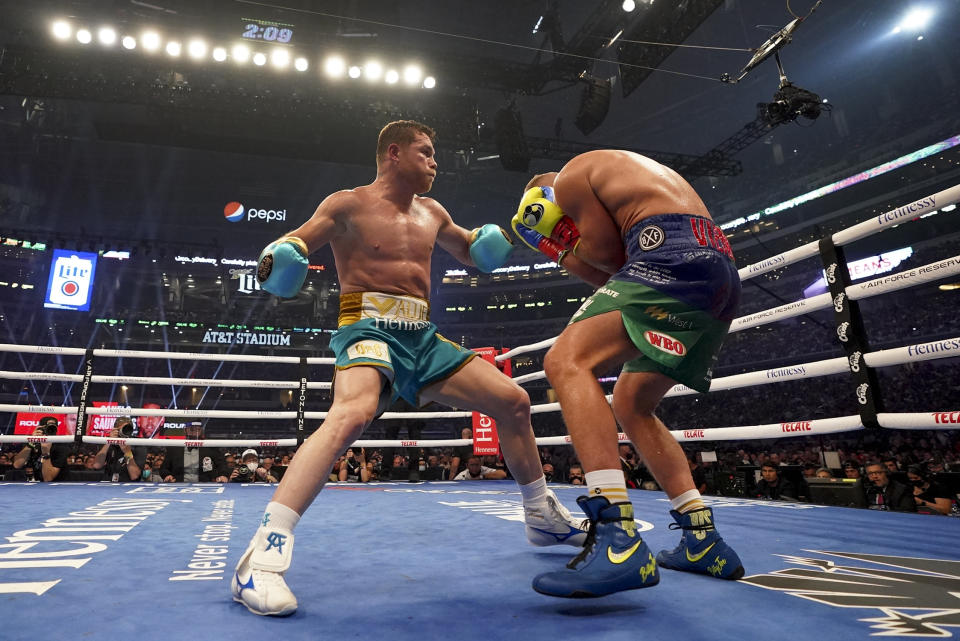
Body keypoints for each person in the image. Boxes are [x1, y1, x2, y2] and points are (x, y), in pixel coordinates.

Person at [232, 120, 586, 616]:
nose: (435, 161)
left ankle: (541, 514)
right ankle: (261, 560)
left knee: (515, 402)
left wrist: (495, 239)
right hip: (367, 327)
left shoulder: (434, 212)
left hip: (421, 336)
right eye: (426, 151)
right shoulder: (347, 204)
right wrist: (283, 254)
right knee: (351, 414)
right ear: (393, 153)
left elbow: (473, 251)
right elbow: (294, 244)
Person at [510, 149, 744, 598]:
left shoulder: (574, 174)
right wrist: (558, 251)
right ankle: (702, 539)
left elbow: (602, 253)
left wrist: (560, 243)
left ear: (547, 199)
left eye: (561, 222)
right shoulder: (626, 179)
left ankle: (617, 537)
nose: (566, 229)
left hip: (674, 259)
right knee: (633, 403)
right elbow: (617, 277)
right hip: (716, 273)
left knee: (565, 361)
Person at [10, 416, 70, 482]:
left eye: (52, 428)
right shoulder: (32, 443)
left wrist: (46, 453)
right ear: (39, 429)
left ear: (56, 429)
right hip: (39, 486)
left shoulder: (61, 446)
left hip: (58, 486)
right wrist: (31, 442)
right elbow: (17, 465)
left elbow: (48, 478)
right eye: (46, 428)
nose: (49, 431)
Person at [92, 416, 146, 482]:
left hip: (128, 484)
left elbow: (134, 476)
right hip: (108, 482)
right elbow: (96, 465)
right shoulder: (107, 442)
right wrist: (109, 441)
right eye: (121, 429)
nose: (124, 432)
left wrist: (127, 452)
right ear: (115, 430)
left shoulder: (138, 444)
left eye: (127, 429)